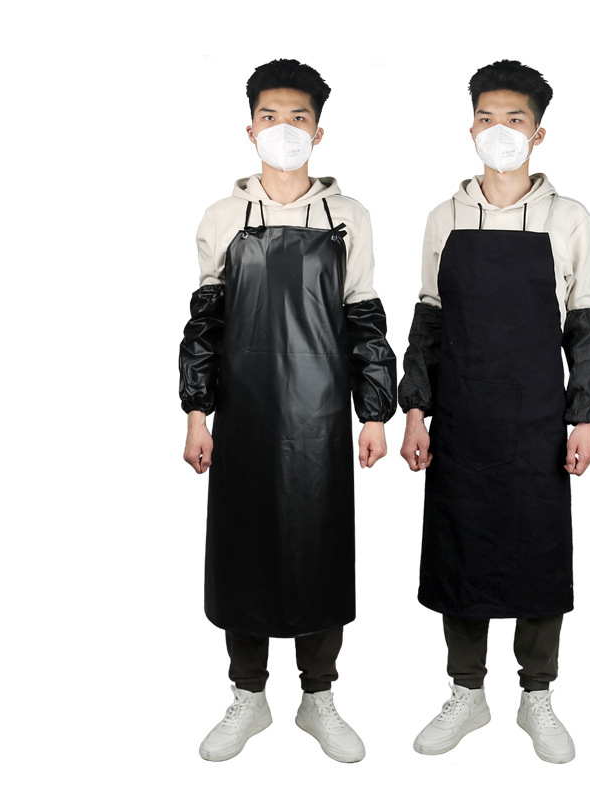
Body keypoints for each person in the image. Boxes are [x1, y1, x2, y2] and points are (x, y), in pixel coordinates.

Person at [179, 58, 397, 764]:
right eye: (269, 117)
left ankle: (318, 697)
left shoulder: (347, 217)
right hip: (244, 415)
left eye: (297, 117)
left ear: (318, 131)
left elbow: (364, 318)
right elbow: (205, 326)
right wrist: (196, 414)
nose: (283, 129)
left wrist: (373, 413)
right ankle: (248, 695)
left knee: (317, 548)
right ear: (250, 129)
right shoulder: (224, 217)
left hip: (320, 417)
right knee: (242, 548)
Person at [398, 59, 590, 764]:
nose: (499, 130)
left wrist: (585, 417)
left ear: (538, 133)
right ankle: (467, 692)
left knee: (537, 550)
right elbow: (428, 319)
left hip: (535, 418)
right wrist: (416, 411)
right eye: (486, 117)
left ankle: (537, 695)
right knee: (459, 545)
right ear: (471, 128)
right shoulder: (445, 216)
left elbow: (584, 321)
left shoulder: (568, 218)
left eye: (514, 119)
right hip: (460, 415)